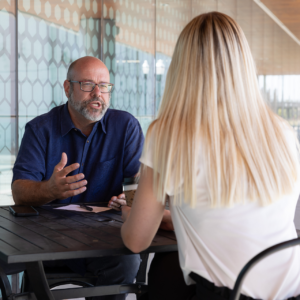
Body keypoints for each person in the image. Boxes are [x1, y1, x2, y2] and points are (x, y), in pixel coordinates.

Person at [119, 12, 300, 300]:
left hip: (228, 295)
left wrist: (128, 214)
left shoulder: (168, 134)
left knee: (161, 280)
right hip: (291, 292)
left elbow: (137, 240)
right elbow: (245, 218)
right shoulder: (281, 132)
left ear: (182, 67)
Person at [12, 56, 144, 300]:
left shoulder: (126, 126)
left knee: (128, 262)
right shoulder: (40, 130)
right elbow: (19, 191)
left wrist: (129, 198)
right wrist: (49, 190)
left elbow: (138, 185)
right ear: (67, 88)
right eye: (87, 84)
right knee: (20, 263)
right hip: (49, 237)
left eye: (104, 86)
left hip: (106, 237)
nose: (97, 93)